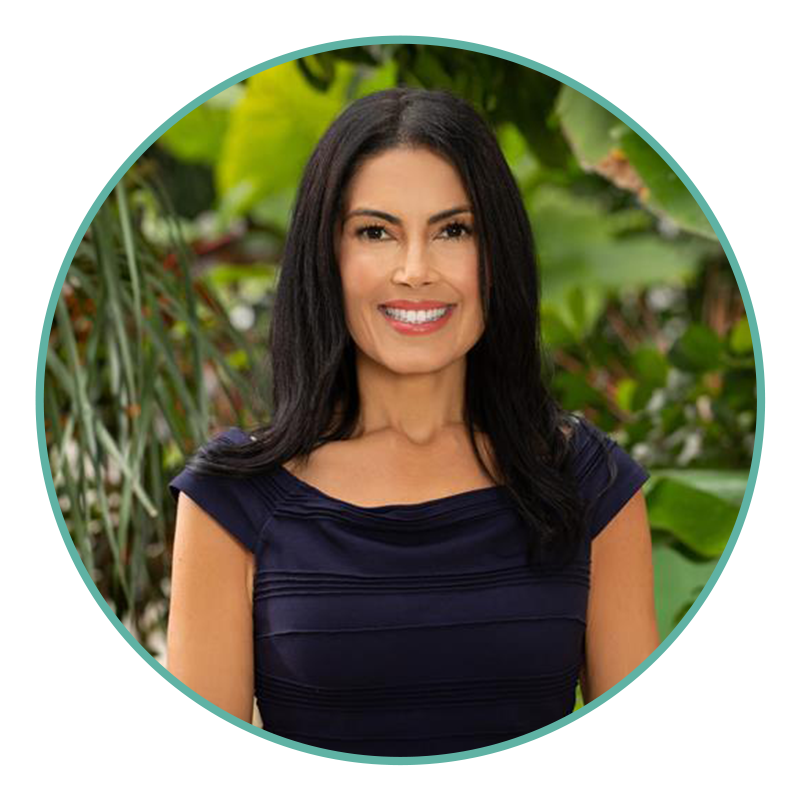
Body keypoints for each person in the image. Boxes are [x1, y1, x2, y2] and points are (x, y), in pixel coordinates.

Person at [167, 87, 660, 758]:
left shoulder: (588, 483)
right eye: (376, 232)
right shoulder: (233, 498)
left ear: (497, 256)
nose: (415, 270)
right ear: (327, 257)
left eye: (453, 230)